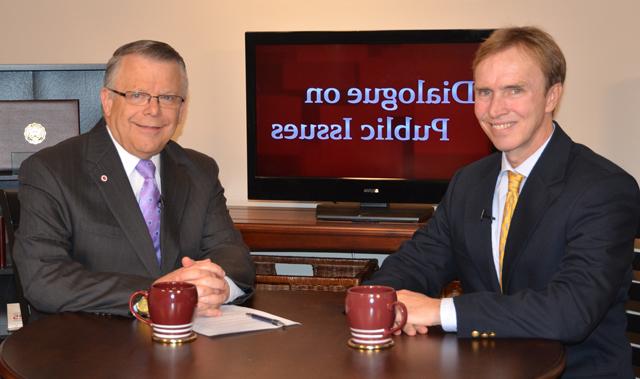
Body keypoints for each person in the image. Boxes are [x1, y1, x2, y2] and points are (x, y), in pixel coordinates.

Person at [367, 26, 640, 378]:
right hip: (481, 369)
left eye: (514, 90)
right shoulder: (468, 181)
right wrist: (391, 303)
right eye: (484, 92)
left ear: (552, 96)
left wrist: (440, 311)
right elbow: (416, 262)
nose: (495, 109)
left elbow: (570, 312)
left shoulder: (605, 188)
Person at [13, 40, 255, 318]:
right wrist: (158, 293)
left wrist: (219, 287)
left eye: (167, 97)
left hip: (190, 343)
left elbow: (232, 256)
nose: (153, 110)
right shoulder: (51, 170)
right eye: (138, 95)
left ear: (181, 108)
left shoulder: (199, 170)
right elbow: (44, 280)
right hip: (88, 347)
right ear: (107, 101)